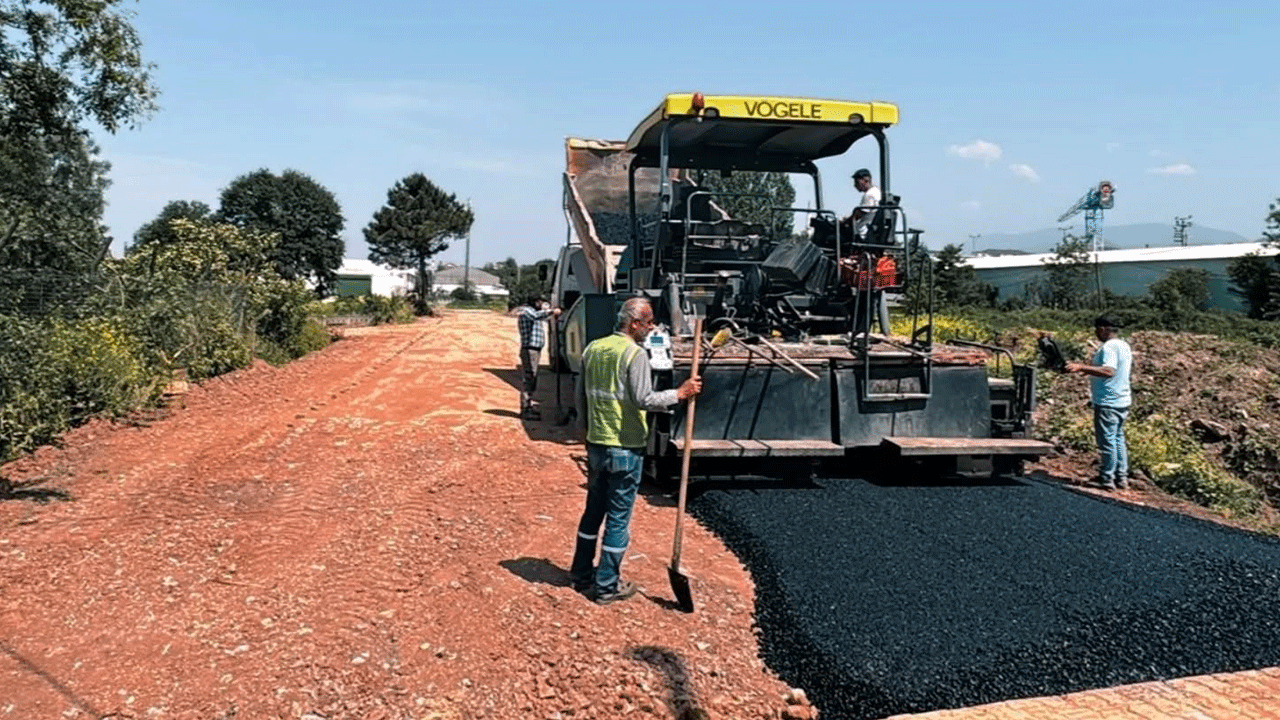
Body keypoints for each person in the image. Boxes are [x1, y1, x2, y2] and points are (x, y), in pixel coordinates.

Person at [569, 296, 702, 605]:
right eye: (648, 322)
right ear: (633, 324)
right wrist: (680, 393)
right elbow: (644, 399)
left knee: (593, 511)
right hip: (625, 447)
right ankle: (606, 586)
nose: (651, 328)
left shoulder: (593, 348)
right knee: (617, 519)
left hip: (597, 444)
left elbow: (580, 396)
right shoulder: (634, 354)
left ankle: (581, 573)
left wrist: (585, 430)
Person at [1065, 316, 1133, 490]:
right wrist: (1089, 371)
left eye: (1097, 330)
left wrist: (1082, 367)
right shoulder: (1124, 345)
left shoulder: (1109, 347)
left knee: (1108, 441)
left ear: (1103, 329)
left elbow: (1109, 371)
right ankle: (1121, 477)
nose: (1096, 333)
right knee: (1118, 439)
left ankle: (1107, 478)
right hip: (1121, 400)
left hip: (1108, 401)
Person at [516, 296, 561, 420]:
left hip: (535, 350)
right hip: (530, 350)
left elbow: (543, 317)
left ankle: (528, 406)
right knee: (529, 378)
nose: (542, 305)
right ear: (535, 302)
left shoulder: (534, 312)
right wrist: (552, 311)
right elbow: (536, 316)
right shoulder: (526, 311)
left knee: (533, 378)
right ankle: (525, 409)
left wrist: (553, 314)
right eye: (541, 302)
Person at [847, 168, 882, 240]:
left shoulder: (870, 194)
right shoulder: (877, 192)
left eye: (857, 182)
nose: (855, 185)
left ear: (866, 180)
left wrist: (843, 222)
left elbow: (858, 215)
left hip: (863, 234)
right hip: (872, 231)